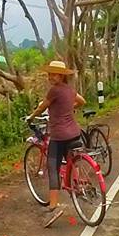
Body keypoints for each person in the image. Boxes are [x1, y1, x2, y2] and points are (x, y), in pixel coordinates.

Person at [27, 59, 85, 225]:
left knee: (53, 167)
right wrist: (69, 108)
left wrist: (31, 117)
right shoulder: (69, 90)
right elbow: (82, 102)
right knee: (72, 160)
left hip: (59, 136)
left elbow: (41, 108)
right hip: (75, 133)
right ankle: (78, 186)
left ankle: (54, 207)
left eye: (54, 74)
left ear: (61, 76)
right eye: (50, 74)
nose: (51, 77)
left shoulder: (54, 91)